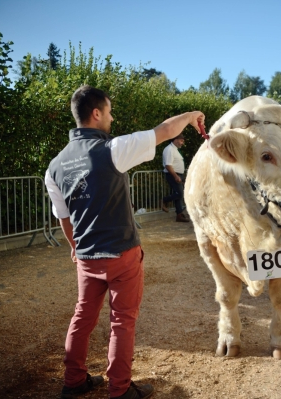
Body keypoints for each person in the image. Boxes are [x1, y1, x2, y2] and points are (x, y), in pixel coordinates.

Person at [45, 85, 205, 399]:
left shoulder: (54, 167)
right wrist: (190, 115)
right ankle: (119, 390)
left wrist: (75, 249)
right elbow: (163, 131)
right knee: (122, 321)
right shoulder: (113, 149)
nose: (112, 117)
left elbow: (63, 218)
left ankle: (73, 381)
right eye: (109, 111)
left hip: (87, 257)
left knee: (82, 316)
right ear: (96, 114)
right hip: (121, 253)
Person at [160, 133, 189, 222]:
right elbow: (168, 165)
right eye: (181, 140)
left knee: (178, 195)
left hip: (177, 174)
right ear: (175, 139)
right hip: (172, 174)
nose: (182, 143)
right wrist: (176, 176)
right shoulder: (169, 150)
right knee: (180, 193)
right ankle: (163, 200)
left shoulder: (174, 149)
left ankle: (179, 215)